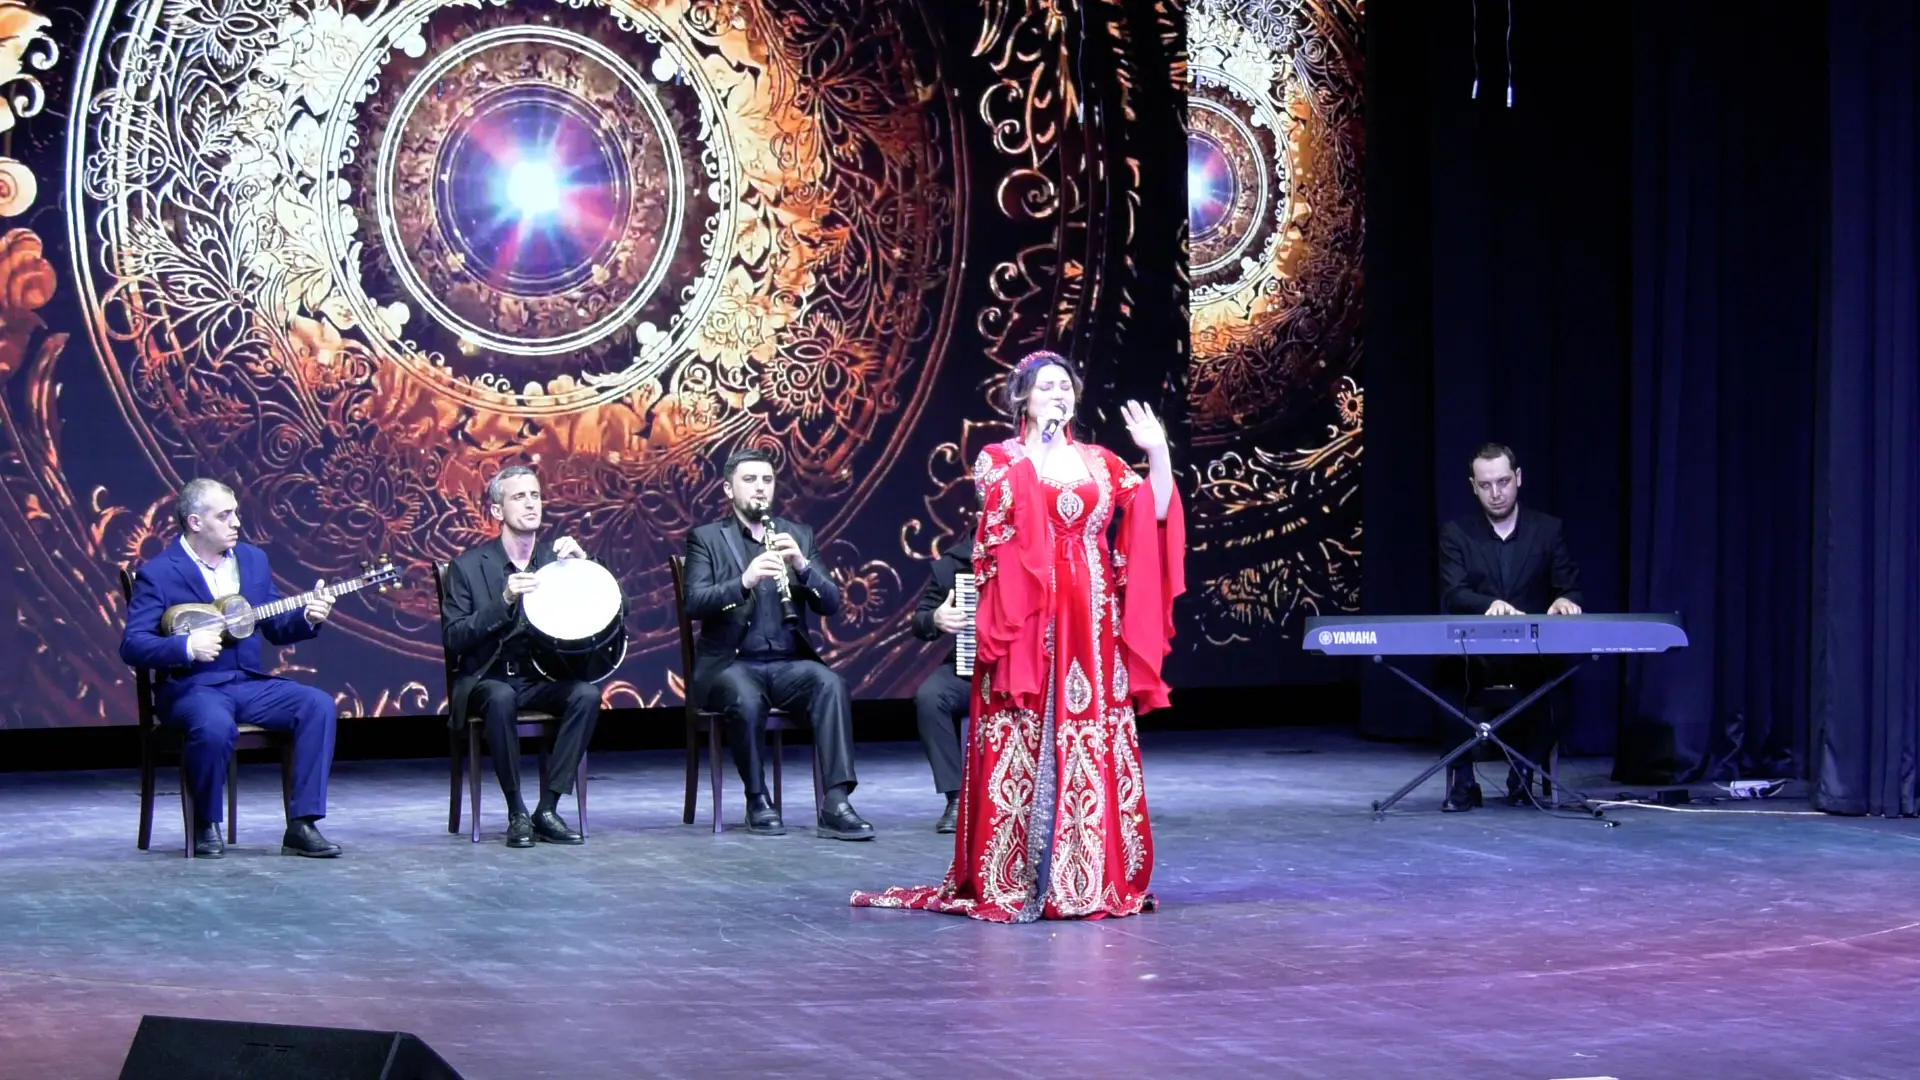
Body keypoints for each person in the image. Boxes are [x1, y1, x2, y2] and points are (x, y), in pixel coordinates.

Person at [852, 349, 1185, 922]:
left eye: (1066, 386)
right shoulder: (999, 458)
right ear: (1023, 399)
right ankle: (1013, 876)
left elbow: (1153, 513)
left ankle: (1084, 876)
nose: (1060, 394)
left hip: (1090, 618)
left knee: (1088, 732)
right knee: (1020, 732)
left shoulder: (1102, 462)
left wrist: (1158, 452)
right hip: (1026, 619)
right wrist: (1044, 443)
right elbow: (1007, 513)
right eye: (1047, 387)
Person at [119, 478, 343, 859]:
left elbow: (274, 625)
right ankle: (206, 822)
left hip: (248, 684)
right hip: (192, 688)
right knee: (214, 726)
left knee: (317, 705)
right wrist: (186, 647)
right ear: (195, 522)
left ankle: (302, 824)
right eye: (225, 516)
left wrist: (307, 616)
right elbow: (133, 645)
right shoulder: (159, 573)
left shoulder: (253, 561)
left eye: (235, 513)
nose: (237, 522)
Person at [681, 448, 872, 840]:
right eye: (750, 480)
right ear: (729, 489)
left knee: (831, 684)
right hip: (731, 665)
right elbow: (694, 602)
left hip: (788, 664)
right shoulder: (706, 538)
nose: (760, 488)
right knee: (745, 697)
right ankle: (757, 799)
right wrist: (744, 581)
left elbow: (831, 603)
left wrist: (802, 566)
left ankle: (836, 802)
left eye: (767, 480)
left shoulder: (798, 535)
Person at [441, 465, 600, 848]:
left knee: (586, 694)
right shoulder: (468, 567)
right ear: (497, 511)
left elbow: (618, 607)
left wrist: (587, 566)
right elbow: (454, 637)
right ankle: (517, 811)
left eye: (535, 496)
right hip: (488, 677)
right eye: (519, 497)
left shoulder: (557, 561)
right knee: (500, 697)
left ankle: (547, 808)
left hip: (542, 678)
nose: (531, 504)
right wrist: (505, 600)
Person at [1437, 442, 1584, 811]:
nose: (1496, 493)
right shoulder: (1457, 533)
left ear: (1518, 478)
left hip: (1531, 654)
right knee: (1443, 686)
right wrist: (1489, 605)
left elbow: (1568, 586)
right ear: (1473, 487)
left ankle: (1522, 774)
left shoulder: (1548, 530)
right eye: (1485, 485)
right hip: (1477, 654)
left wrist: (1565, 600)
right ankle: (1464, 784)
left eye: (1503, 482)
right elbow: (1455, 593)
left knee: (1560, 692)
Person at [908, 526, 975, 833]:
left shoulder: (1032, 554)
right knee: (931, 696)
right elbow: (920, 619)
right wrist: (934, 618)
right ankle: (956, 798)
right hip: (972, 670)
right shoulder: (954, 563)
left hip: (1025, 675)